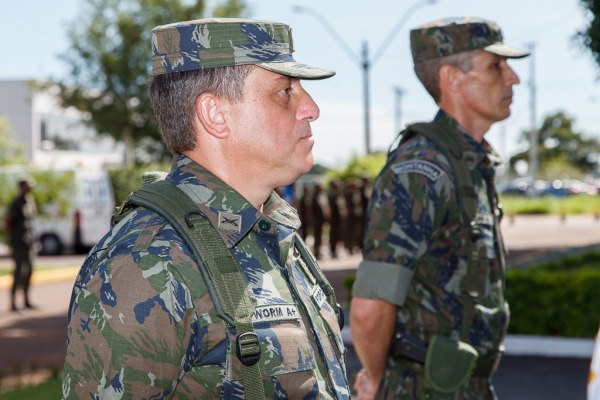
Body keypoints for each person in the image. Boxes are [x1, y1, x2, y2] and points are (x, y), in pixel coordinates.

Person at [62, 18, 349, 399]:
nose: (310, 108)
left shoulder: (273, 230)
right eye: (284, 91)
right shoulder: (146, 261)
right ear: (216, 115)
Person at [350, 17, 529, 399]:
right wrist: (381, 382)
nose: (512, 77)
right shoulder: (421, 170)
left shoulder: (467, 163)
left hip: (462, 384)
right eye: (496, 65)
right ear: (451, 78)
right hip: (422, 388)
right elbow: (370, 308)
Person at [5, 179, 37, 312]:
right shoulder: (17, 202)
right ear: (21, 187)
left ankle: (27, 301)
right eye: (26, 186)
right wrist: (13, 237)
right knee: (18, 272)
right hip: (19, 242)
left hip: (29, 241)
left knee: (29, 271)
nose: (29, 188)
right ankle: (13, 304)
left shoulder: (29, 200)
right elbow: (8, 221)